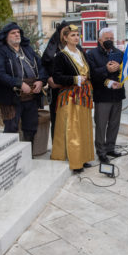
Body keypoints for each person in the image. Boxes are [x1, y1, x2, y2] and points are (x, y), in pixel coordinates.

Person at [0, 22, 47, 146]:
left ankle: (28, 155)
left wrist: (41, 81)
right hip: (11, 98)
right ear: (6, 36)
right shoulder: (0, 53)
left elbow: (42, 66)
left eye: (18, 32)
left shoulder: (28, 50)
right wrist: (19, 84)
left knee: (31, 128)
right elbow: (0, 74)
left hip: (31, 96)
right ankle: (11, 155)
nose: (17, 35)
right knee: (11, 129)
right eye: (13, 33)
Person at [50, 25, 95, 173]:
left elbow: (89, 72)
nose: (76, 38)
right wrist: (75, 79)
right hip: (70, 97)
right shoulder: (61, 56)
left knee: (84, 127)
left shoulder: (81, 53)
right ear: (65, 38)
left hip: (84, 96)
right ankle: (75, 162)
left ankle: (83, 157)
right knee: (73, 130)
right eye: (72, 35)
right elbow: (57, 77)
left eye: (77, 35)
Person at [87, 28, 125, 163]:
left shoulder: (119, 53)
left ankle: (110, 148)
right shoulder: (92, 54)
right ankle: (101, 151)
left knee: (114, 124)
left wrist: (120, 72)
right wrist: (106, 69)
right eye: (106, 39)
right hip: (102, 95)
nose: (109, 41)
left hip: (117, 93)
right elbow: (91, 74)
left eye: (111, 39)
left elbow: (125, 71)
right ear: (100, 40)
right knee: (101, 125)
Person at [41, 21, 70, 140]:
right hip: (56, 90)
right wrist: (48, 78)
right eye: (65, 32)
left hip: (71, 89)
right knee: (57, 119)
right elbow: (43, 65)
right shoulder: (52, 48)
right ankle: (57, 147)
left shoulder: (76, 48)